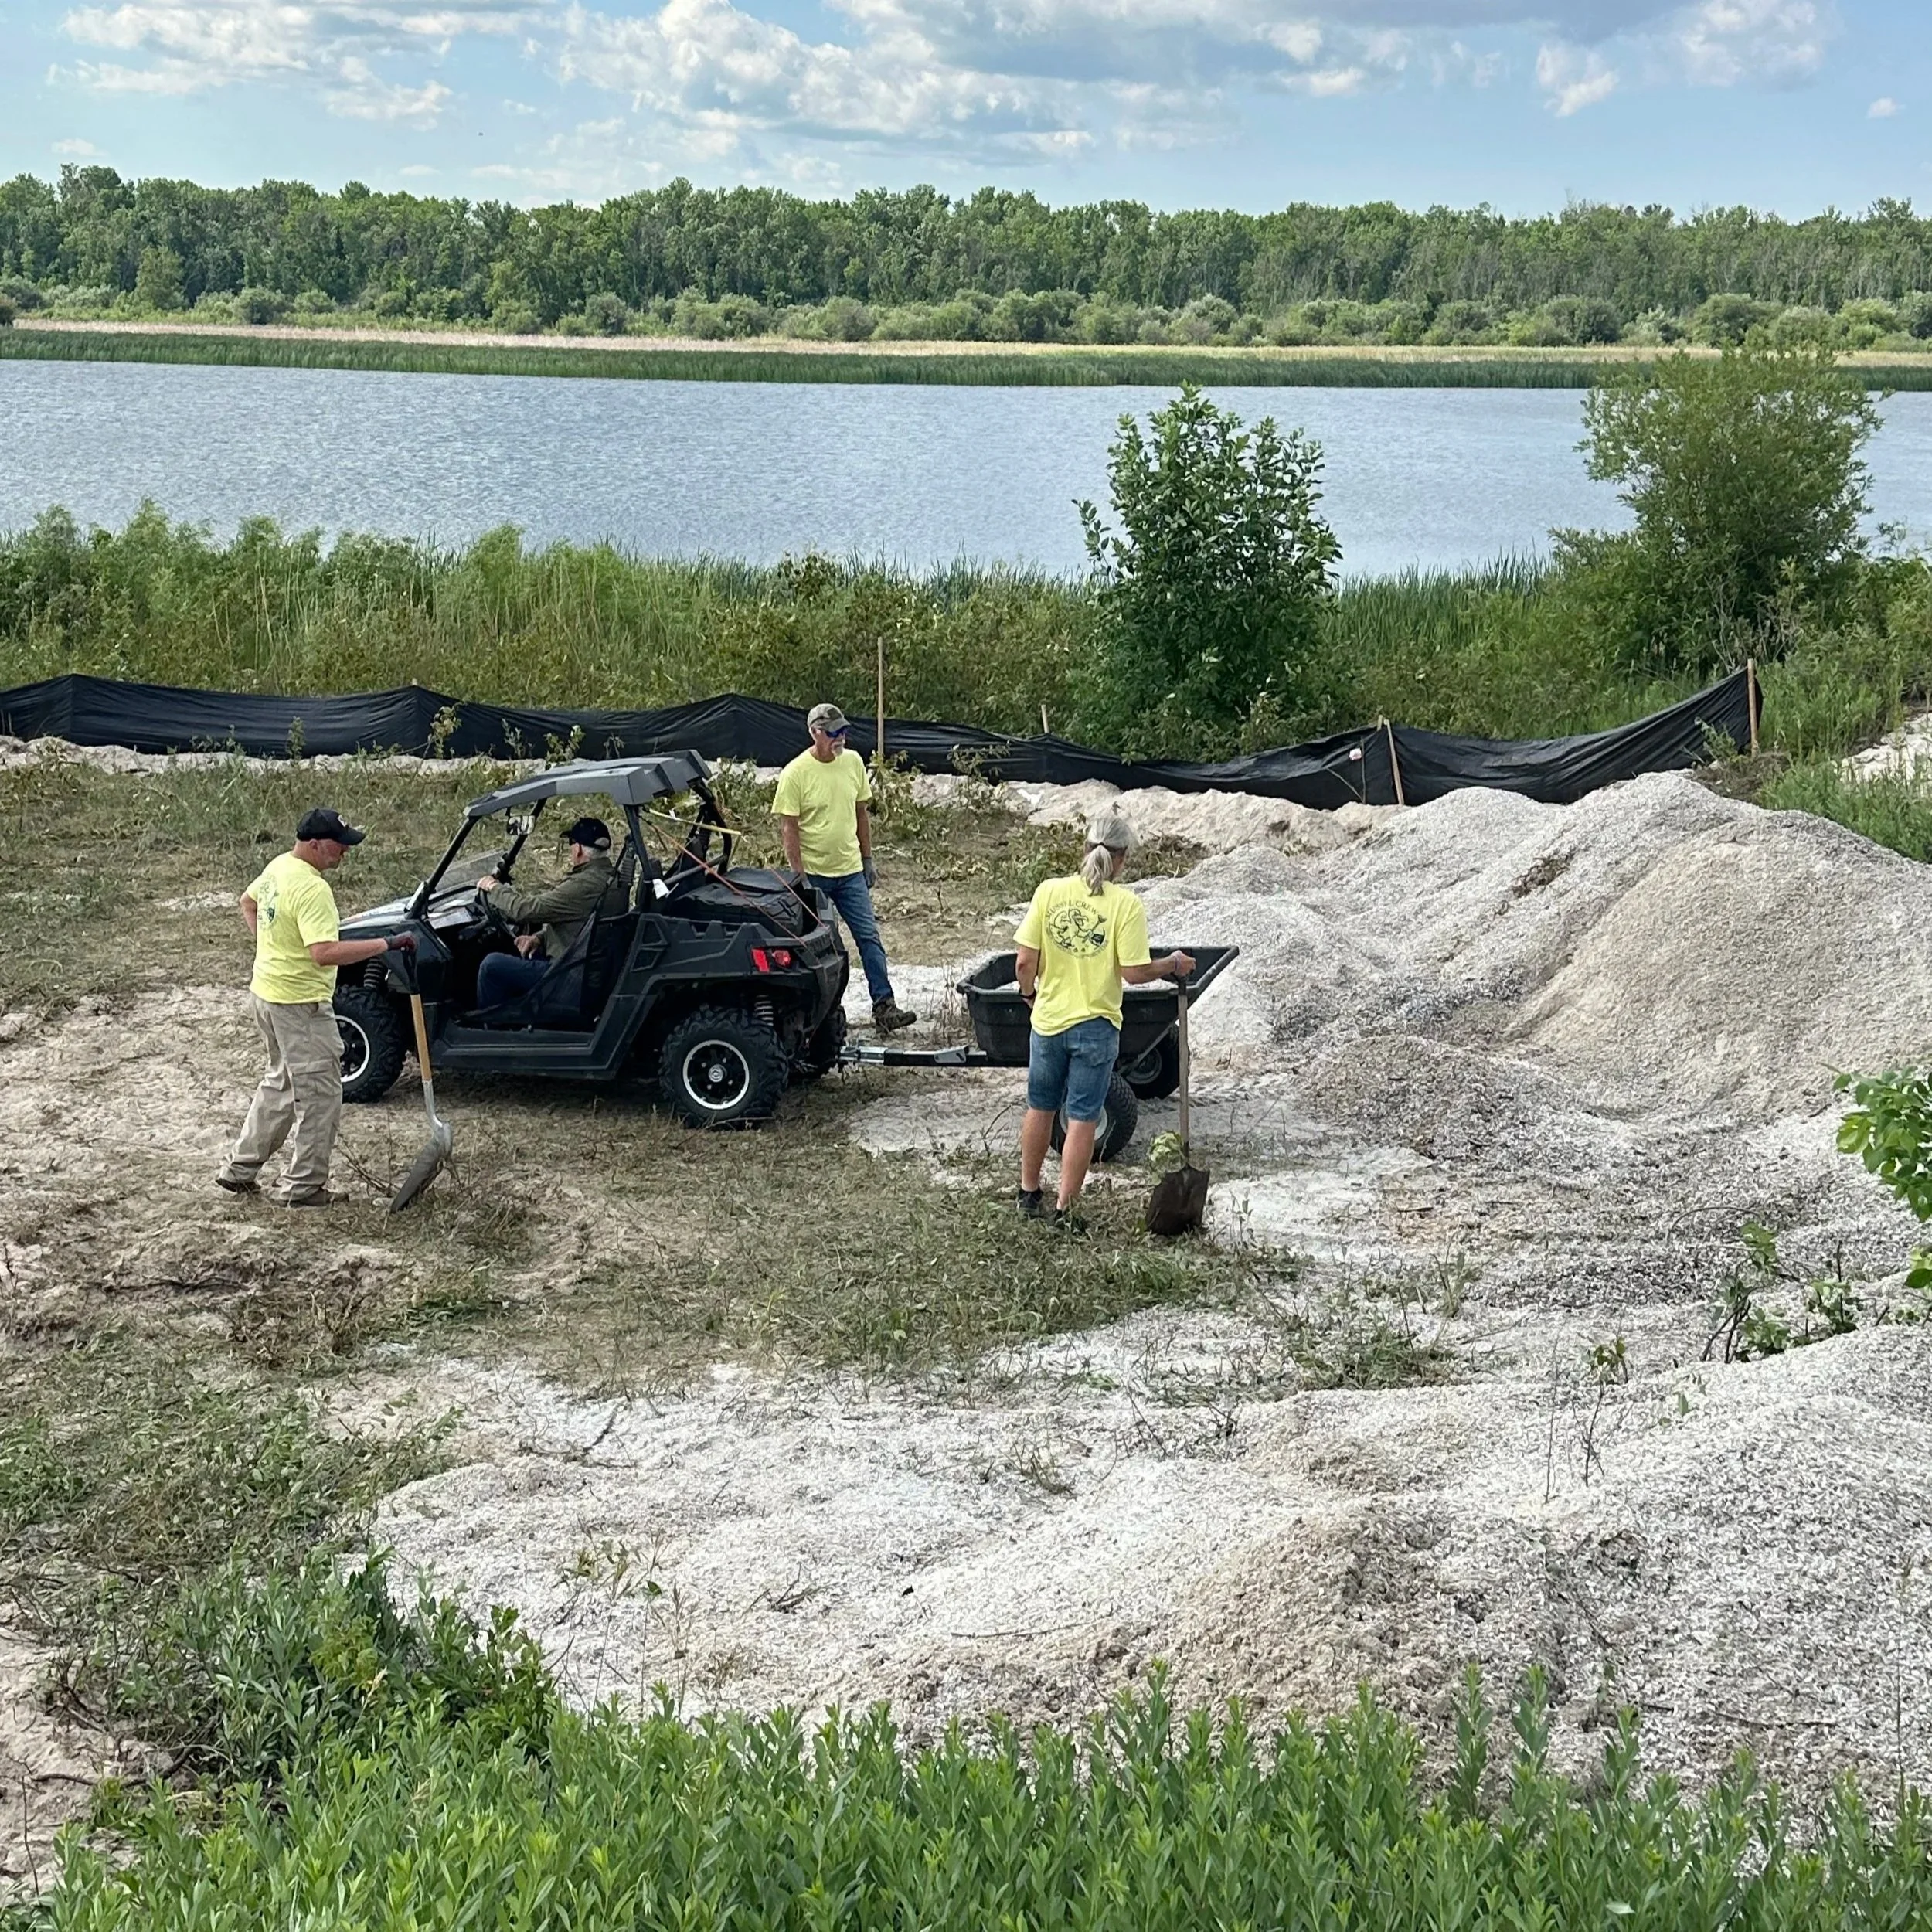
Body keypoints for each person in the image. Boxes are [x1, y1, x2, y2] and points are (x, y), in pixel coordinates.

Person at [217, 807, 413, 1206]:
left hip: (267, 995)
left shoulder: (279, 867)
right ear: (314, 844)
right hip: (299, 1005)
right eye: (339, 844)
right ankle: (304, 1187)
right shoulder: (312, 888)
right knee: (322, 1094)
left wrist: (269, 950)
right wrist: (386, 945)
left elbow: (247, 902)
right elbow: (324, 952)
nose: (345, 851)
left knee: (281, 1083)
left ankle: (239, 1169)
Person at [1014, 809, 1194, 1227]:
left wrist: (1030, 995)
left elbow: (1024, 961)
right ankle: (1065, 1210)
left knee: (1039, 1107)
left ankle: (1027, 1194)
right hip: (1095, 1026)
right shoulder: (1125, 906)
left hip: (1048, 1022)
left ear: (1085, 849)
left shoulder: (1049, 892)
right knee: (1082, 1117)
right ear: (1122, 858)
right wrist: (1171, 964)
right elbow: (1132, 972)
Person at [774, 702, 917, 1033]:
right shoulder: (795, 773)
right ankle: (824, 1018)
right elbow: (789, 829)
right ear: (814, 733)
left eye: (843, 731)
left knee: (869, 939)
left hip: (850, 871)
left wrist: (867, 859)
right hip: (816, 877)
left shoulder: (852, 763)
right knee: (824, 949)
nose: (840, 738)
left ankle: (885, 1006)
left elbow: (861, 814)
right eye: (833, 733)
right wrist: (800, 878)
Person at [474, 815, 628, 1009]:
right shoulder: (610, 878)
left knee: (491, 966)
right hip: (584, 970)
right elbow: (581, 926)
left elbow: (524, 910)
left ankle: (492, 1030)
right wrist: (539, 938)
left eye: (571, 844)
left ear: (578, 849)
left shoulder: (584, 884)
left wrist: (493, 887)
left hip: (567, 978)